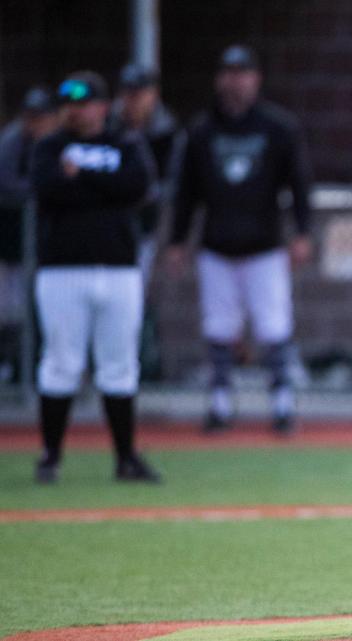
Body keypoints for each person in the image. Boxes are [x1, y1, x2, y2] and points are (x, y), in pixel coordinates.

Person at [167, 45, 313, 436]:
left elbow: (299, 183)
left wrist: (302, 232)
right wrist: (177, 240)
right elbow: (186, 192)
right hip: (217, 246)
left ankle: (282, 403)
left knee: (273, 325)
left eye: (243, 74)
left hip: (265, 246)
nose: (236, 82)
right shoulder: (202, 130)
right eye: (229, 74)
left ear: (256, 79)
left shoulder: (277, 127)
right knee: (219, 326)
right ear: (220, 79)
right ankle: (220, 402)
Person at [29, 71, 160, 484]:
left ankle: (125, 457)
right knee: (61, 363)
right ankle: (50, 456)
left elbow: (135, 187)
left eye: (84, 103)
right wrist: (103, 187)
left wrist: (82, 176)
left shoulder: (125, 142)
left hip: (119, 270)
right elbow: (48, 189)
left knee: (119, 365)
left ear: (102, 106)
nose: (75, 110)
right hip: (62, 270)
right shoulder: (50, 146)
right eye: (69, 103)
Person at [0, 86, 58, 376]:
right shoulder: (12, 141)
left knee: (44, 309)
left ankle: (34, 365)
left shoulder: (59, 142)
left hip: (51, 246)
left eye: (41, 117)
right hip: (12, 244)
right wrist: (44, 188)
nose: (36, 123)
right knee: (11, 308)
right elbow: (6, 182)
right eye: (31, 117)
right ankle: (12, 365)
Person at [111, 63, 185, 286]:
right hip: (111, 223)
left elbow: (176, 180)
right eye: (128, 93)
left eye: (139, 94)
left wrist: (145, 193)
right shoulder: (108, 129)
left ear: (153, 94)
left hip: (153, 225)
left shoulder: (169, 132)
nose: (133, 101)